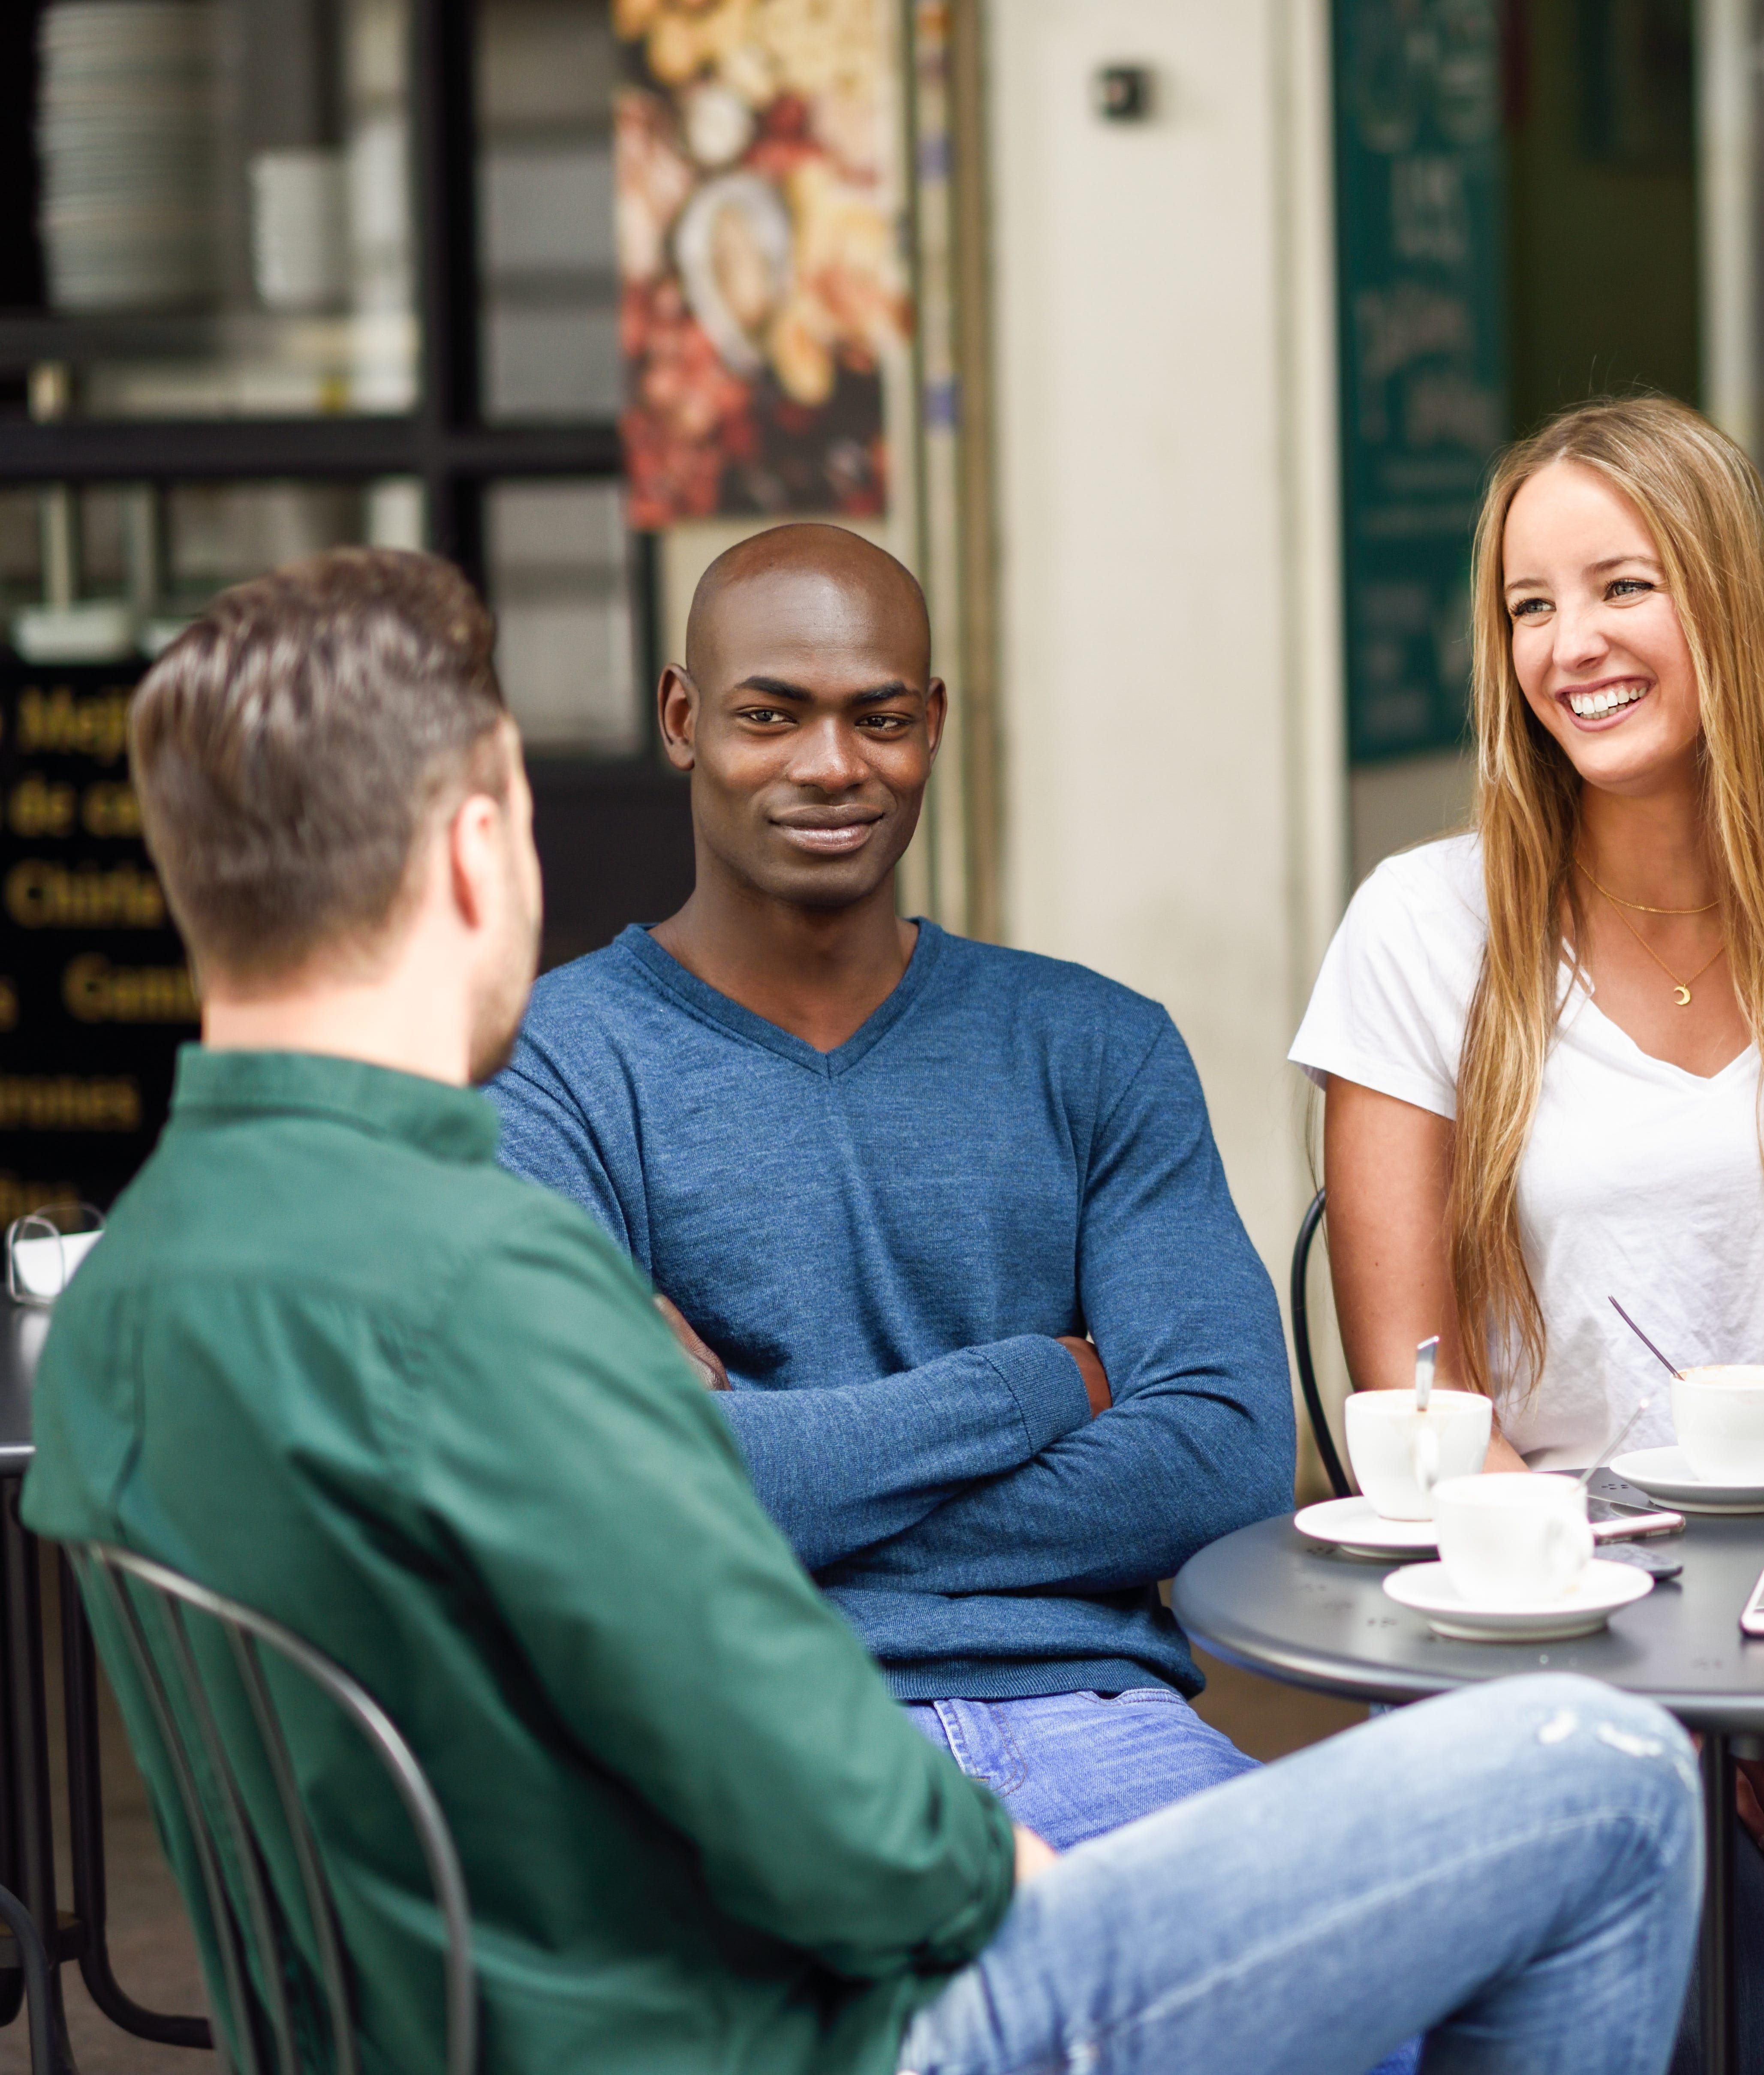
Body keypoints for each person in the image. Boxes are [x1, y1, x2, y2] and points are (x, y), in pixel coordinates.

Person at [26, 546, 1703, 2075]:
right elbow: (821, 1801)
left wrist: (757, 1458)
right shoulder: (477, 1279)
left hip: (523, 2000)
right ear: (479, 847)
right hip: (804, 2020)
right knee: (1599, 1768)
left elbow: (1198, 1462)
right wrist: (1025, 1866)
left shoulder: (130, 1291)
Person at [1290, 394, 1764, 2072]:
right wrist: (1645, 1641)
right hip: (1558, 1600)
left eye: (1621, 587)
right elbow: (1410, 1393)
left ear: (1730, 603)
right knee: (1701, 2017)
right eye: (1529, 606)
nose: (1570, 644)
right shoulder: (1423, 922)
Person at [485, 525, 1295, 1869]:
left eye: (877, 717)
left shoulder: (1099, 1045)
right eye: (770, 715)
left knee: (1383, 2029)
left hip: (1099, 1724)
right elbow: (605, 1500)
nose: (830, 765)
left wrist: (766, 1480)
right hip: (734, 1739)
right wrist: (1048, 1382)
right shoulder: (551, 1072)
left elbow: (1223, 1457)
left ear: (931, 724)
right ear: (683, 719)